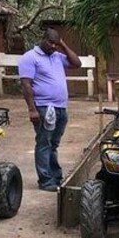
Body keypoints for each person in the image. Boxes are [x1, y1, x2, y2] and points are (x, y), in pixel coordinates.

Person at [18, 28, 81, 192]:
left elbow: (77, 63)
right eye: (50, 42)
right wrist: (32, 109)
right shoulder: (30, 58)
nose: (53, 46)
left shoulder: (57, 56)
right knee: (44, 143)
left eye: (56, 43)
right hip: (44, 107)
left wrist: (63, 45)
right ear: (42, 39)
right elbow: (26, 85)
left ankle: (56, 177)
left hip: (60, 108)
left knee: (53, 144)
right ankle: (45, 180)